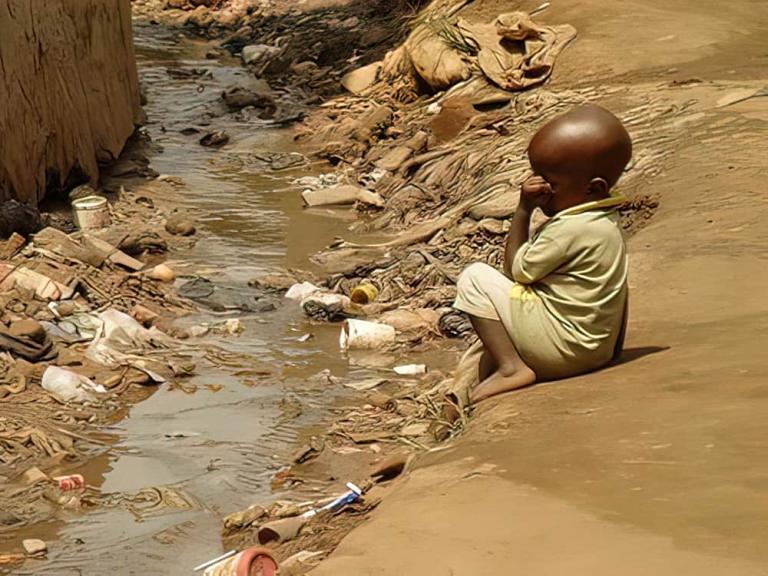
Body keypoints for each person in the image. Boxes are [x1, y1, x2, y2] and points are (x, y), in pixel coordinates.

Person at [453, 104, 631, 404]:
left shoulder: (570, 227)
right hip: (595, 351)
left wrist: (524, 210)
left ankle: (512, 369)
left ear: (593, 188)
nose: (539, 187)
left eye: (551, 183)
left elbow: (516, 273)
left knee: (474, 278)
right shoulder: (605, 220)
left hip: (565, 353)